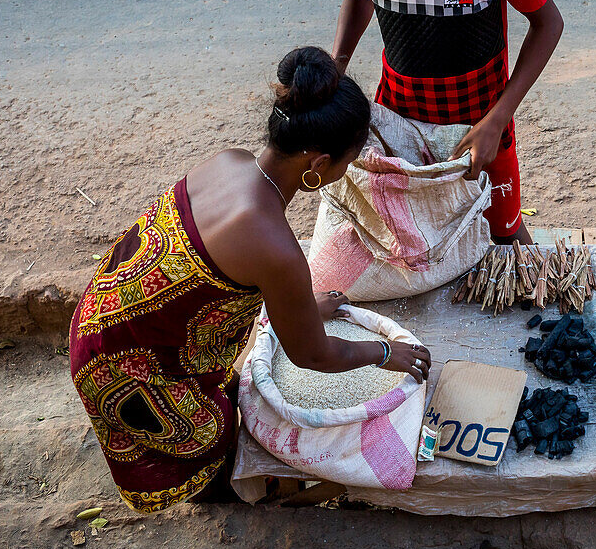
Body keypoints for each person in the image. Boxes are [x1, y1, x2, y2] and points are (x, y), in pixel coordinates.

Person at [68, 47, 432, 513]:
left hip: (100, 315)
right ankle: (214, 493)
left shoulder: (231, 162)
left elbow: (218, 280)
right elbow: (313, 354)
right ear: (319, 166)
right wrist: (384, 352)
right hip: (124, 365)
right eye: (349, 160)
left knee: (222, 387)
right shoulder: (277, 250)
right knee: (210, 427)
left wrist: (300, 307)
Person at [301, 0, 564, 244]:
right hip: (400, 118)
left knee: (503, 231)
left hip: (479, 121)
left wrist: (496, 120)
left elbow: (549, 24)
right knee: (414, 235)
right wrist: (338, 65)